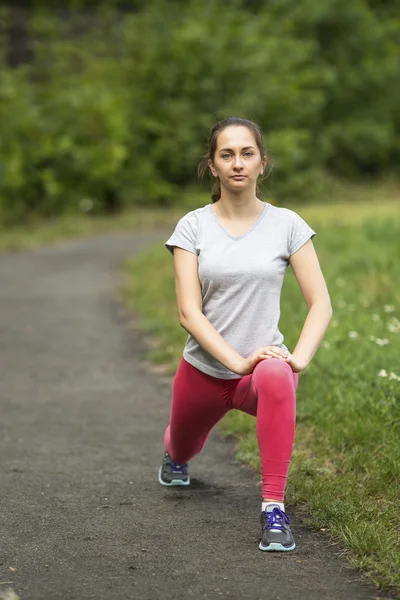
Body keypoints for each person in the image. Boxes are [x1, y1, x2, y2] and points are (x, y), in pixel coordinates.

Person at [158, 116, 333, 552]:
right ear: (213, 166)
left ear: (262, 163)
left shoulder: (287, 225)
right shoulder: (193, 226)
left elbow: (321, 303)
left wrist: (300, 359)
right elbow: (188, 311)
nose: (238, 163)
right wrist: (236, 362)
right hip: (204, 372)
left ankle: (273, 508)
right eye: (227, 154)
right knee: (184, 447)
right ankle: (175, 454)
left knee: (275, 373)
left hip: (260, 374)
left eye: (247, 153)